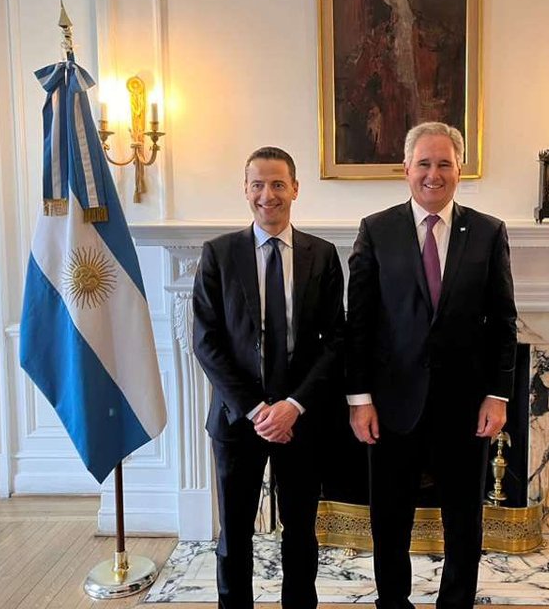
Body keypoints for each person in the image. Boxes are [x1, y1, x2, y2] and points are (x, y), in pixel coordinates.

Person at [346, 122, 518, 608]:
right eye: (424, 163)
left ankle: (456, 603)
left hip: (465, 405)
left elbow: (503, 321)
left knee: (464, 519)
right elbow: (358, 323)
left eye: (444, 163)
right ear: (406, 169)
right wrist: (359, 399)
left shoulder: (488, 232)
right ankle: (392, 602)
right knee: (390, 518)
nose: (433, 174)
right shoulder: (376, 230)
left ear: (460, 170)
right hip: (391, 404)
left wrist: (498, 395)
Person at [192, 146, 345, 609]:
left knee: (300, 531)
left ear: (295, 189)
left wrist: (292, 406)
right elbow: (206, 342)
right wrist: (258, 410)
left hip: (301, 419)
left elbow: (336, 341)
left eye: (278, 184)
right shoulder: (219, 254)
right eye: (257, 184)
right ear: (245, 190)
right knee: (234, 534)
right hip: (238, 419)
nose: (268, 194)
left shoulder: (323, 255)